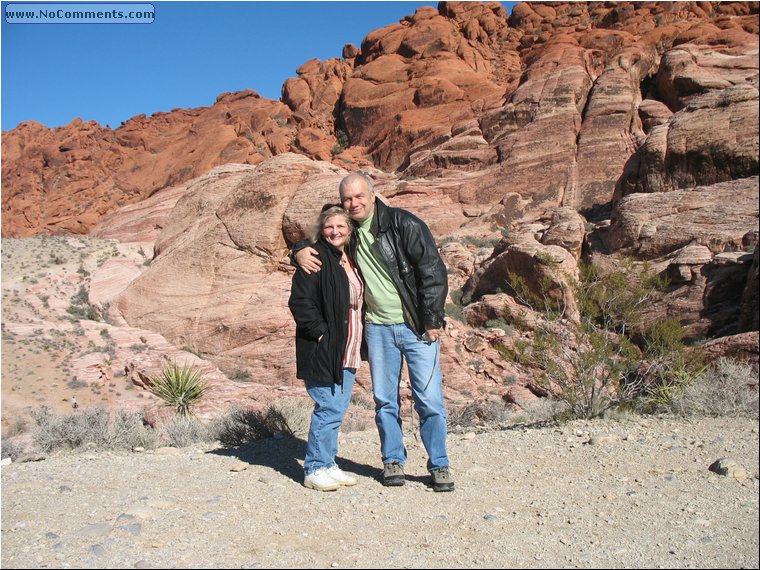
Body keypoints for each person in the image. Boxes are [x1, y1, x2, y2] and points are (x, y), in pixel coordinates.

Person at [293, 173, 454, 492]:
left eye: (358, 196)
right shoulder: (349, 231)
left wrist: (433, 318)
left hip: (416, 326)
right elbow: (324, 236)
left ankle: (440, 464)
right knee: (385, 401)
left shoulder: (402, 223)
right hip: (378, 329)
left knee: (430, 400)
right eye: (347, 199)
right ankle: (393, 460)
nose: (353, 204)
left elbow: (431, 269)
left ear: (372, 194)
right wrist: (298, 250)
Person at [288, 205, 364, 492]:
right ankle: (315, 468)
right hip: (325, 347)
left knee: (337, 408)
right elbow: (300, 302)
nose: (335, 232)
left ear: (349, 229)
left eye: (340, 227)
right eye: (329, 227)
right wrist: (320, 333)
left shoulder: (351, 257)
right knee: (328, 405)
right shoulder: (316, 257)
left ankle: (328, 463)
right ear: (322, 229)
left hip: (348, 346)